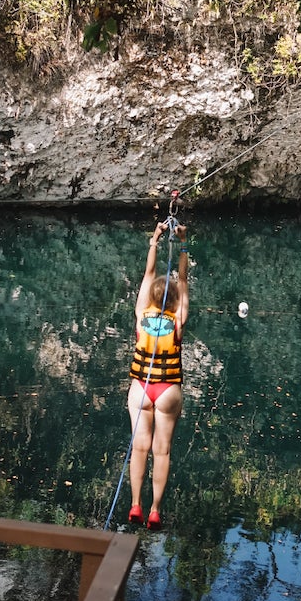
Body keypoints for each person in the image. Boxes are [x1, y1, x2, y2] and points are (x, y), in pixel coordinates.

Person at [126, 218, 189, 529]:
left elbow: (149, 273)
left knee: (139, 447)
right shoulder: (177, 320)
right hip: (167, 392)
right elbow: (184, 280)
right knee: (161, 452)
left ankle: (135, 504)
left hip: (141, 388)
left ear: (150, 296)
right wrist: (184, 242)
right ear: (175, 300)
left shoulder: (141, 316)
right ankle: (154, 510)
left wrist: (155, 240)